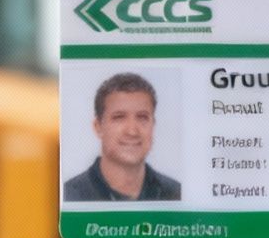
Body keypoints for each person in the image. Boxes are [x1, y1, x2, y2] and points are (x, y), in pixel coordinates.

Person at [64, 72, 182, 202]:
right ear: (98, 127)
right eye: (119, 117)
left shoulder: (175, 195)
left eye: (142, 117)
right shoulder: (69, 197)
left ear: (153, 125)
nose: (132, 131)